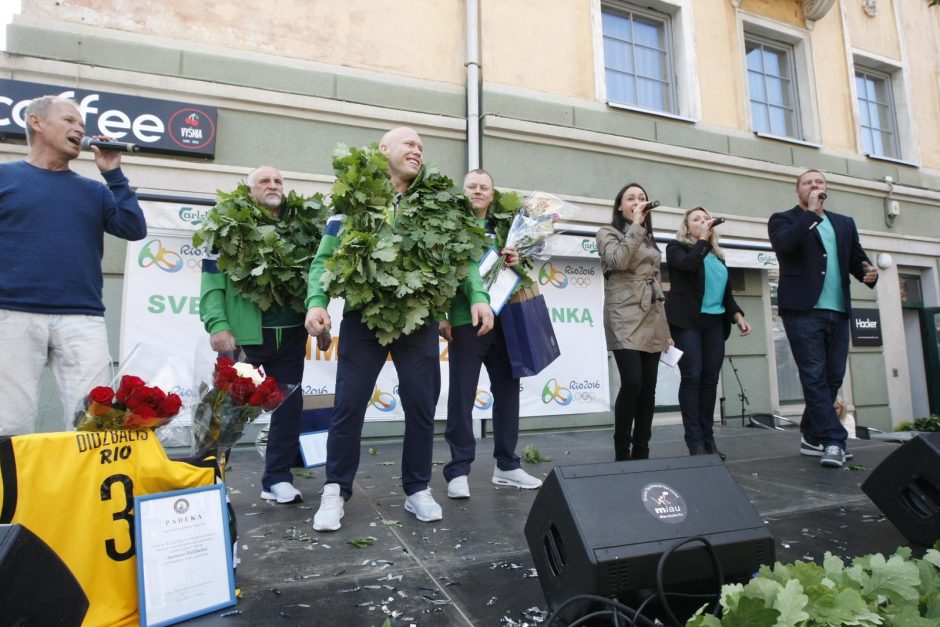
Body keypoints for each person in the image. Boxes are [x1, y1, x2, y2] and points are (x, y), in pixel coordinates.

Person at [305, 127, 494, 530]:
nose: (418, 151)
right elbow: (323, 260)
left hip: (419, 320)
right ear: (383, 150)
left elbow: (465, 260)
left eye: (422, 148)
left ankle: (417, 489)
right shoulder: (352, 201)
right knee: (348, 405)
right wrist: (316, 304)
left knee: (422, 407)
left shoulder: (438, 204)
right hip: (363, 318)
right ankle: (335, 490)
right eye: (410, 144)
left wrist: (478, 296)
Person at [0, 95, 147, 435]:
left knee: (93, 422)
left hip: (82, 317)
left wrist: (114, 173)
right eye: (69, 120)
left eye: (81, 123)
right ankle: (13, 489)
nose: (80, 128)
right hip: (13, 314)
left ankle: (84, 488)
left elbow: (133, 228)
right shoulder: (5, 178)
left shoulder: (94, 191)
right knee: (9, 421)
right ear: (36, 122)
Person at [200, 165, 317, 504]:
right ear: (249, 189)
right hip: (245, 337)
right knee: (228, 412)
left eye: (279, 180)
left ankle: (277, 479)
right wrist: (217, 324)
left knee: (287, 408)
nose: (273, 185)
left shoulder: (302, 229)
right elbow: (211, 282)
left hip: (291, 334)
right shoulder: (227, 226)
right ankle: (211, 478)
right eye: (264, 181)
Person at [440, 169, 543, 500]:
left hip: (506, 317)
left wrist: (516, 258)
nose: (477, 191)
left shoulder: (506, 228)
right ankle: (458, 469)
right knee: (462, 393)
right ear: (463, 191)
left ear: (492, 194)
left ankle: (507, 466)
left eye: (484, 187)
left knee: (508, 390)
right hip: (463, 318)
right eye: (472, 186)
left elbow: (518, 271)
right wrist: (441, 315)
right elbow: (440, 272)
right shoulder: (450, 226)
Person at [768, 170, 878, 468]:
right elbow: (785, 246)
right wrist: (812, 214)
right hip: (802, 310)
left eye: (819, 183)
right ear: (798, 191)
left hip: (838, 310)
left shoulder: (844, 223)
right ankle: (833, 440)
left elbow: (856, 258)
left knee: (832, 378)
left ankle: (811, 435)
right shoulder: (783, 219)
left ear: (826, 188)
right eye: (808, 183)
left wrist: (868, 272)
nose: (815, 186)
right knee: (814, 375)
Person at [666, 207, 751, 459]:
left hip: (714, 322)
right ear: (686, 227)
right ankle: (694, 442)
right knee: (693, 376)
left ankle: (708, 438)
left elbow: (725, 293)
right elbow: (689, 266)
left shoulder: (718, 256)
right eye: (697, 219)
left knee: (710, 380)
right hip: (687, 322)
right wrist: (702, 240)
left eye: (706, 218)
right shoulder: (676, 248)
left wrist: (737, 315)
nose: (703, 221)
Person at [596, 183, 671, 461]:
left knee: (649, 388)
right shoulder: (607, 233)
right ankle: (621, 452)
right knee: (633, 383)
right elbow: (618, 261)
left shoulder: (649, 237)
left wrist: (666, 328)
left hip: (652, 314)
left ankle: (642, 450)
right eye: (631, 198)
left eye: (642, 198)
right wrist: (637, 225)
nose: (638, 202)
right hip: (623, 314)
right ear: (620, 206)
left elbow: (656, 281)